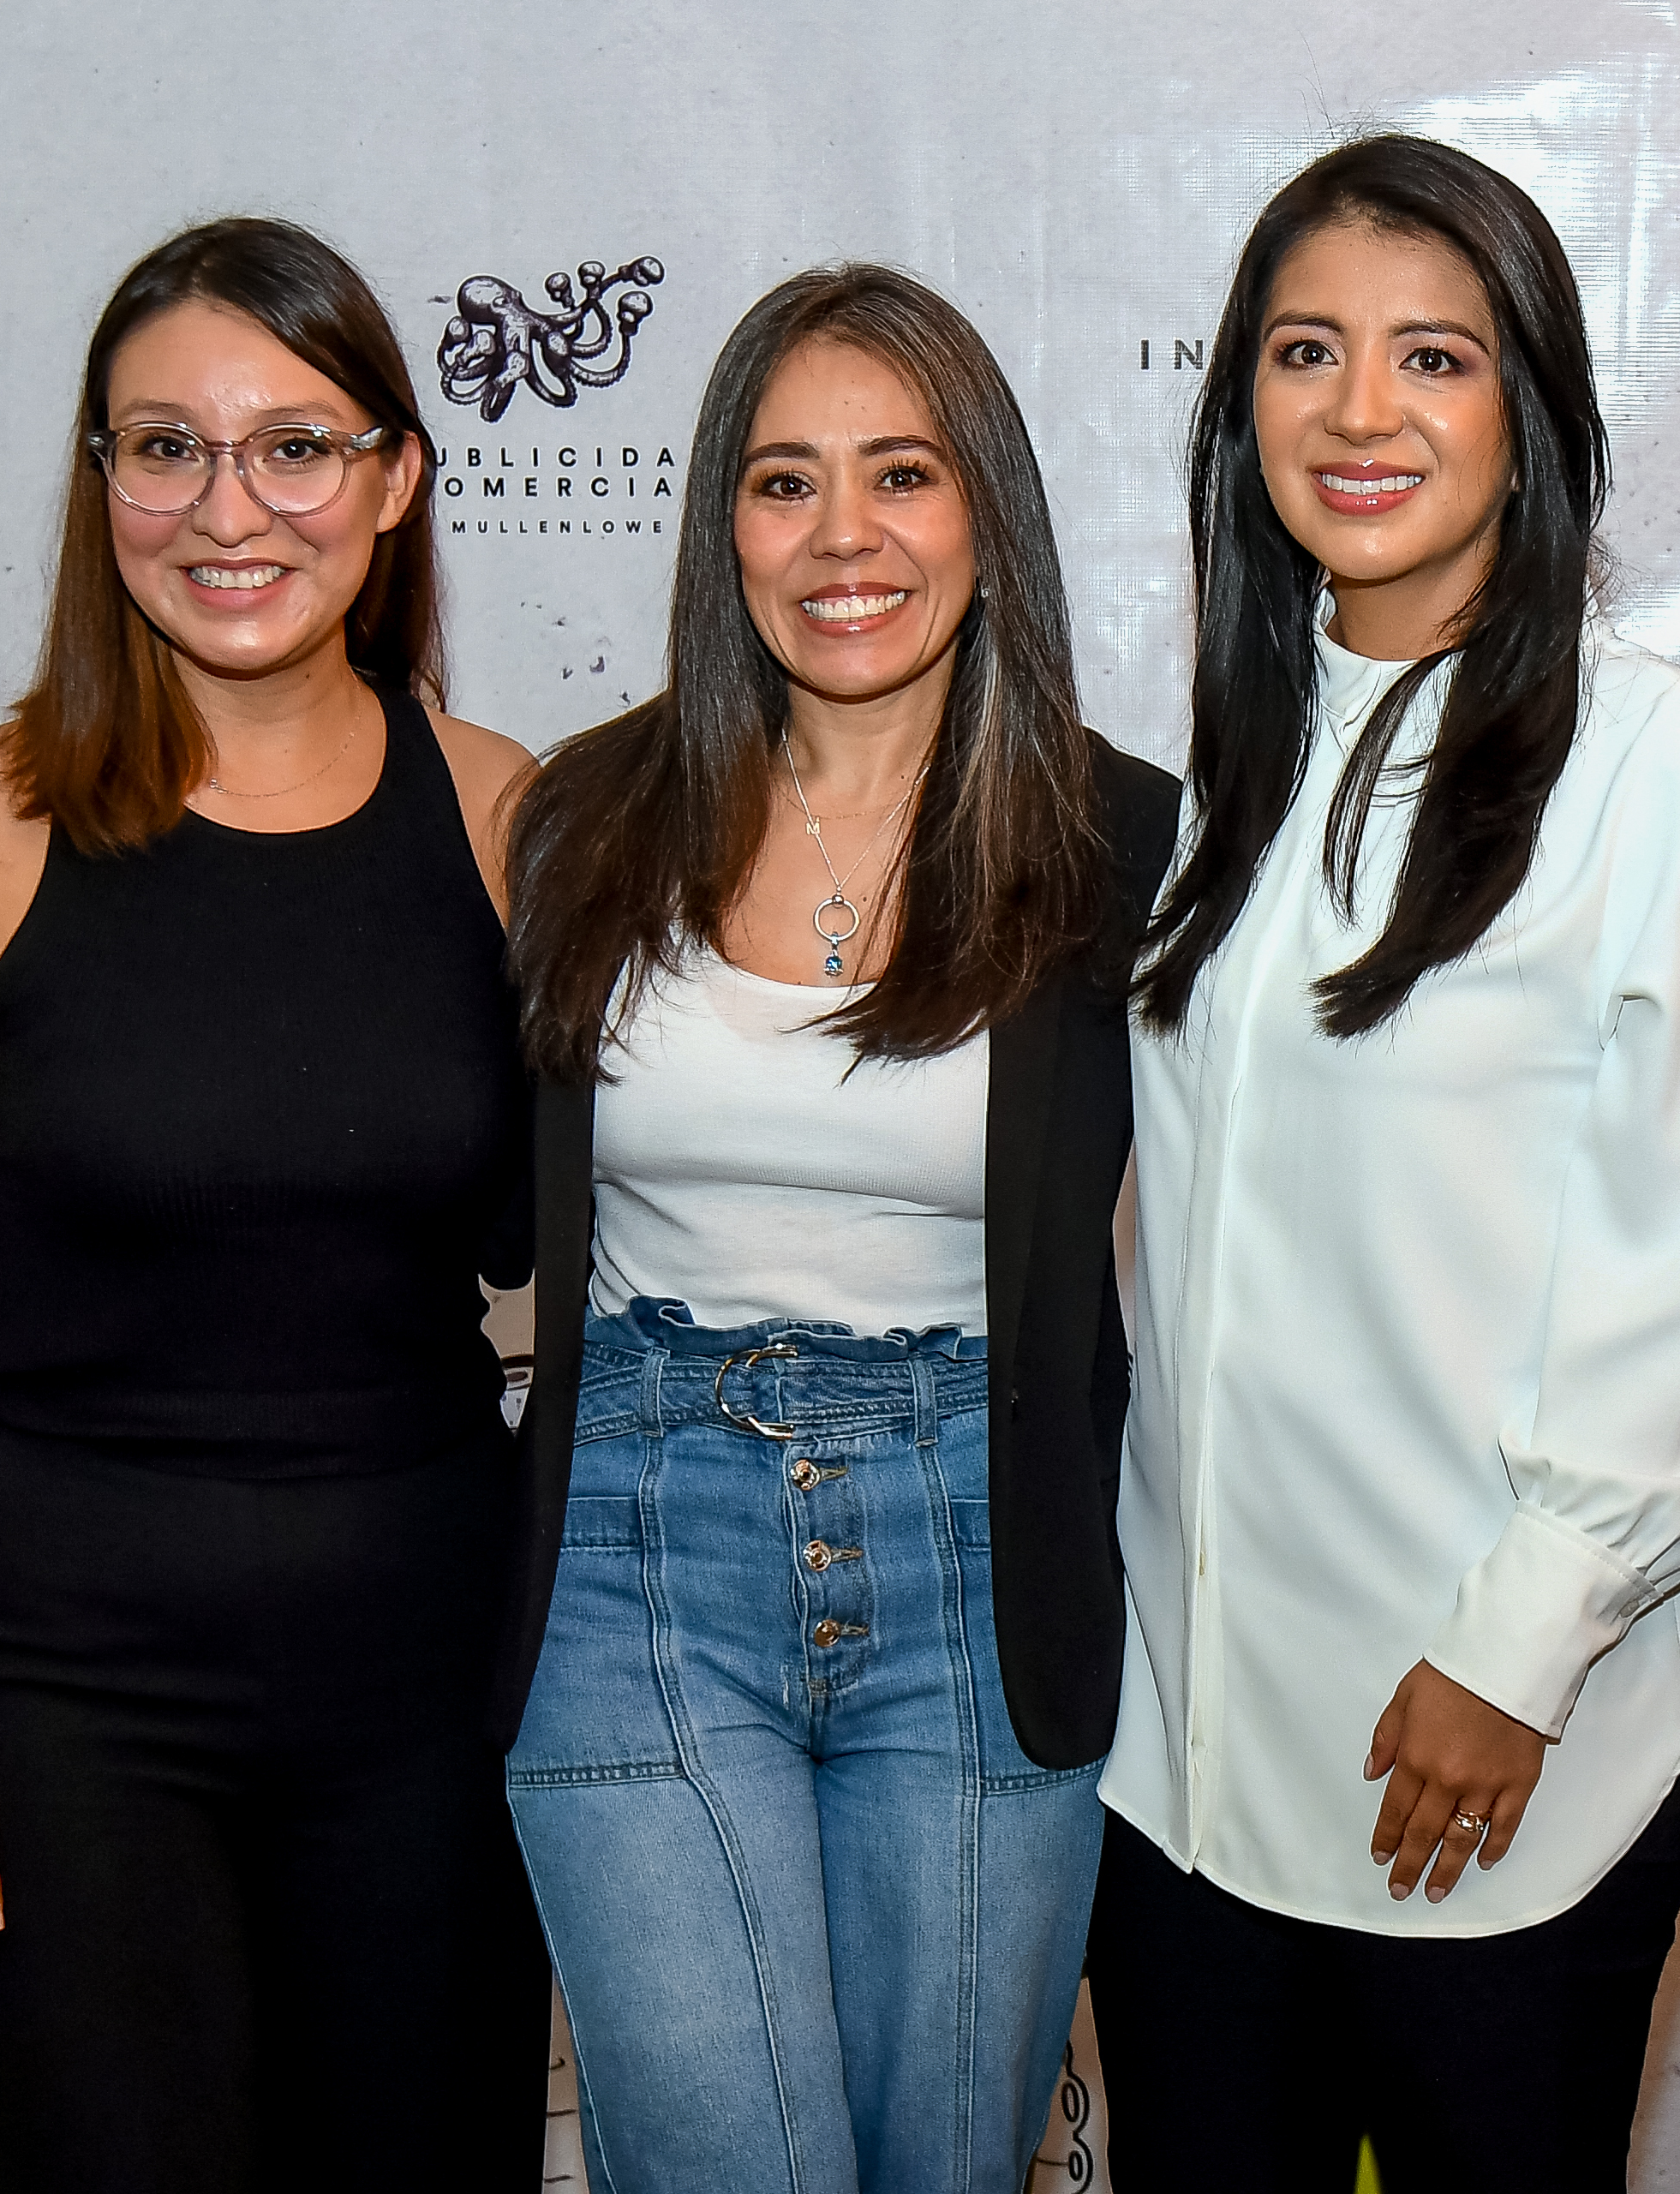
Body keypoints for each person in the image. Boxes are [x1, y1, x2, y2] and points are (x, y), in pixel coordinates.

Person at [1090, 134, 1680, 2190]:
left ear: (1533, 414)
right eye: (1307, 349)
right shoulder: (1239, 755)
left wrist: (1520, 1644)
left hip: (1494, 1740)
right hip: (1193, 1744)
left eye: (1436, 356)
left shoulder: (1657, 765)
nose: (1361, 409)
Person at [0, 218, 547, 2190]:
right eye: (167, 448)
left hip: (428, 1698)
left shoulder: (510, 818)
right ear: (100, 480)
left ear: (392, 482)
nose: (232, 508)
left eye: (296, 448)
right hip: (64, 1707)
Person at [492, 264, 1178, 2193]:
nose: (846, 538)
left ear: (991, 517)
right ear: (723, 522)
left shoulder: (1128, 845)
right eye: (786, 482)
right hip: (638, 1542)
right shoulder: (583, 819)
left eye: (905, 474)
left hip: (983, 1546)